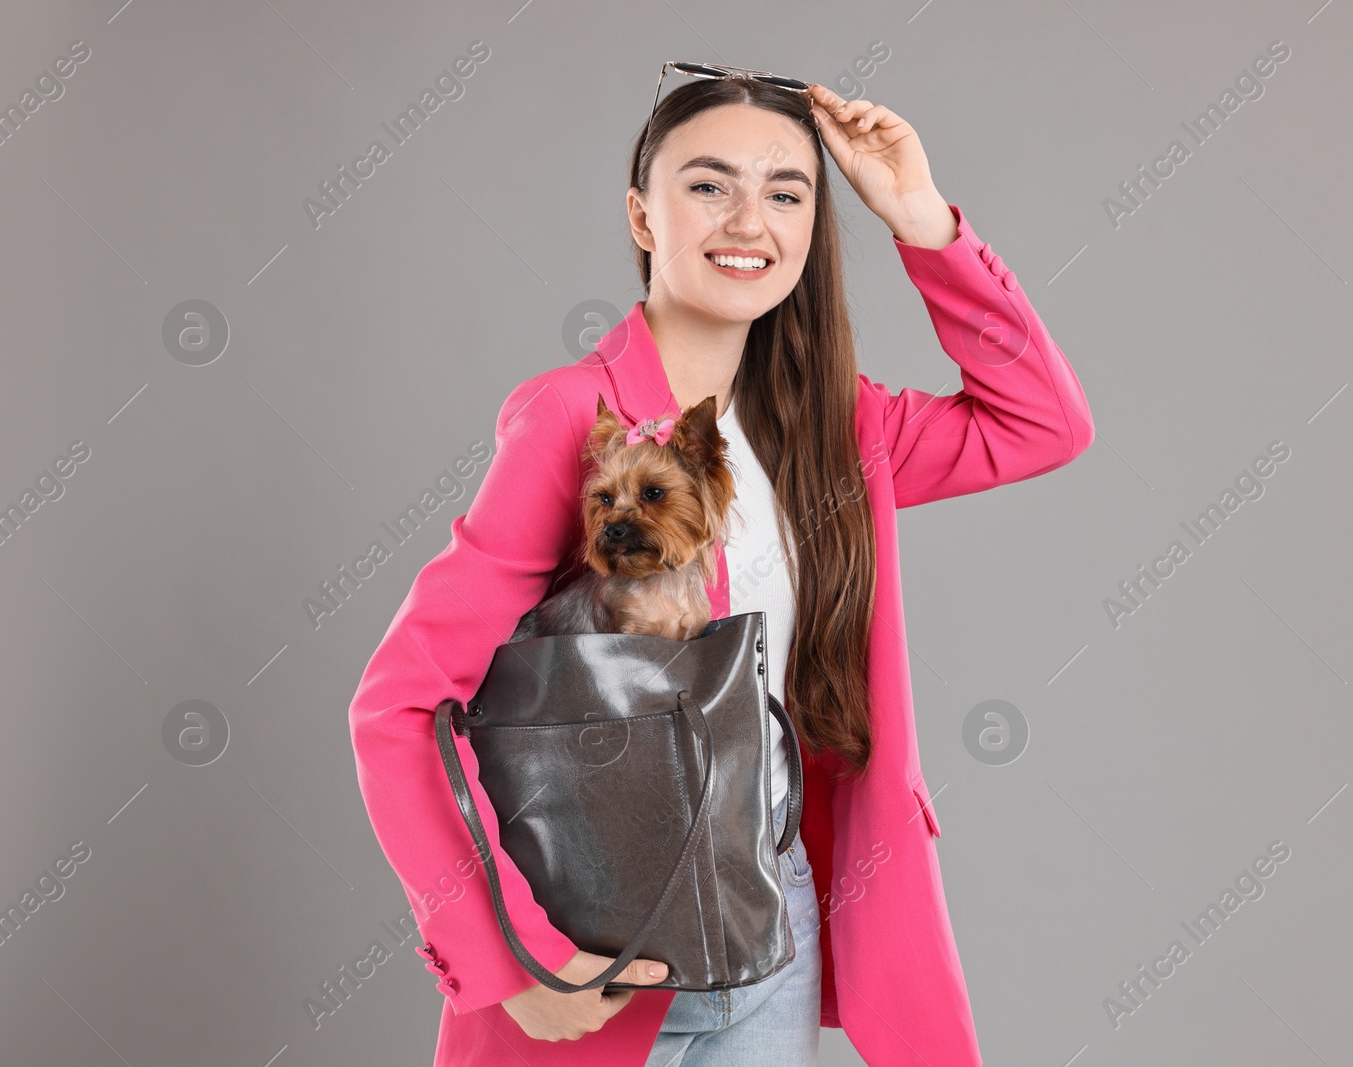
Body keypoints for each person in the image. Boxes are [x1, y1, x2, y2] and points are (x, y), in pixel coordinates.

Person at [347, 65, 1094, 1067]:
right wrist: (513, 956)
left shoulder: (839, 429)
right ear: (642, 216)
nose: (749, 219)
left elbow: (1041, 421)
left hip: (770, 920)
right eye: (708, 185)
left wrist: (921, 218)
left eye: (786, 192)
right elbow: (399, 705)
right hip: (602, 927)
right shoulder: (574, 418)